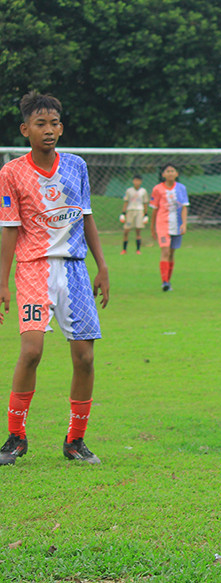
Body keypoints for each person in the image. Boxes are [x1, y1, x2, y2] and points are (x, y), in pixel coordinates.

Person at [0, 91, 110, 466]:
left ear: (61, 128)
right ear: (25, 129)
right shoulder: (11, 173)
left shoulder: (76, 166)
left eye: (54, 124)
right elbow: (10, 230)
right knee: (31, 351)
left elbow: (87, 218)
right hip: (32, 269)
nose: (49, 130)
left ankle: (75, 441)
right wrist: (2, 281)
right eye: (40, 124)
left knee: (84, 357)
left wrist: (103, 266)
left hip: (76, 270)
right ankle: (15, 438)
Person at [149, 163, 188, 291]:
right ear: (163, 174)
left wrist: (184, 223)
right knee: (165, 251)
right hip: (162, 224)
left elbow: (184, 207)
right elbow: (154, 210)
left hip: (176, 225)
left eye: (172, 171)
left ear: (176, 174)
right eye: (168, 171)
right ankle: (164, 282)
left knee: (171, 253)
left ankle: (168, 280)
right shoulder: (157, 189)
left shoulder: (181, 188)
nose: (170, 173)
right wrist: (152, 227)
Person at [120, 175, 148, 255]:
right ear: (133, 181)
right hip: (130, 211)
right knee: (126, 230)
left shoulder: (143, 191)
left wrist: (145, 214)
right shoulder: (129, 191)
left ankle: (138, 250)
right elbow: (126, 202)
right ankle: (124, 249)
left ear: (141, 182)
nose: (137, 182)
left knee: (138, 231)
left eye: (138, 181)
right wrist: (123, 213)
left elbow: (145, 203)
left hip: (139, 211)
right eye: (135, 180)